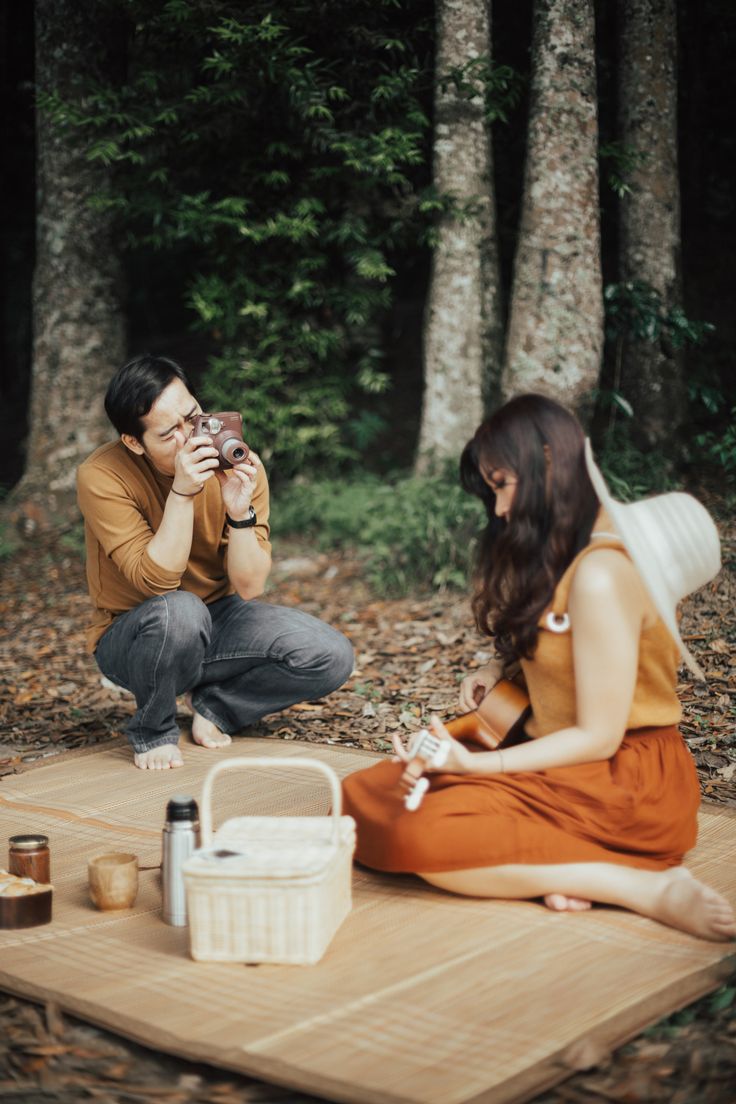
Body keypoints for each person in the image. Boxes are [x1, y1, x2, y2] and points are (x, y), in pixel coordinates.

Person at [342, 394, 736, 942]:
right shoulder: (566, 545)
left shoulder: (601, 572)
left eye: (503, 484)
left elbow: (599, 737)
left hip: (621, 780)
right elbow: (560, 644)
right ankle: (556, 869)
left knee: (421, 833)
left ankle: (641, 886)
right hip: (555, 759)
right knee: (365, 798)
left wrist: (474, 767)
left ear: (548, 463)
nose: (499, 509)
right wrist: (497, 667)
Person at [77, 354, 354, 771]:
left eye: (194, 416)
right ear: (134, 442)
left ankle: (218, 706)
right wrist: (183, 493)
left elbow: (250, 587)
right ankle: (152, 730)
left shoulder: (238, 462)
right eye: (170, 432)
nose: (191, 438)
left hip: (217, 619)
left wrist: (239, 511)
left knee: (330, 654)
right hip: (133, 631)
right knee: (180, 610)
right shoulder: (101, 475)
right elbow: (157, 581)